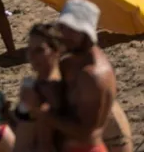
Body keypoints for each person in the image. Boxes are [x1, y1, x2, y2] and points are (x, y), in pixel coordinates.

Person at [14, 22, 131, 152]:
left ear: (56, 51)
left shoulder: (73, 83)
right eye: (29, 50)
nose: (32, 57)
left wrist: (40, 113)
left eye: (39, 50)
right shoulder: (43, 85)